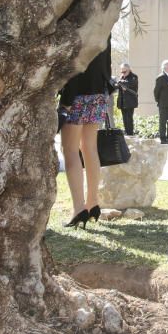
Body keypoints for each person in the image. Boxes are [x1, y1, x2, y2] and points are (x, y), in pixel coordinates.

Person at [59, 37, 112, 229]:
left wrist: (66, 97)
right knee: (89, 148)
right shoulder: (104, 26)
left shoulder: (80, 21)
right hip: (99, 92)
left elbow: (73, 63)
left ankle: (78, 209)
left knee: (70, 150)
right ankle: (93, 203)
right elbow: (107, 62)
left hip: (76, 94)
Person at [153, 59, 168, 145]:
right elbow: (156, 91)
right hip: (163, 104)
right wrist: (159, 101)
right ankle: (163, 139)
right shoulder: (161, 77)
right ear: (165, 68)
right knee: (163, 122)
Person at [114, 62, 138, 136]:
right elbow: (117, 85)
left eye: (124, 71)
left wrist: (121, 83)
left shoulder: (133, 76)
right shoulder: (122, 77)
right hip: (122, 102)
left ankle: (130, 134)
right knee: (124, 119)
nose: (123, 73)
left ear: (129, 69)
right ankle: (127, 133)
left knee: (129, 119)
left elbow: (130, 83)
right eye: (122, 71)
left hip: (130, 102)